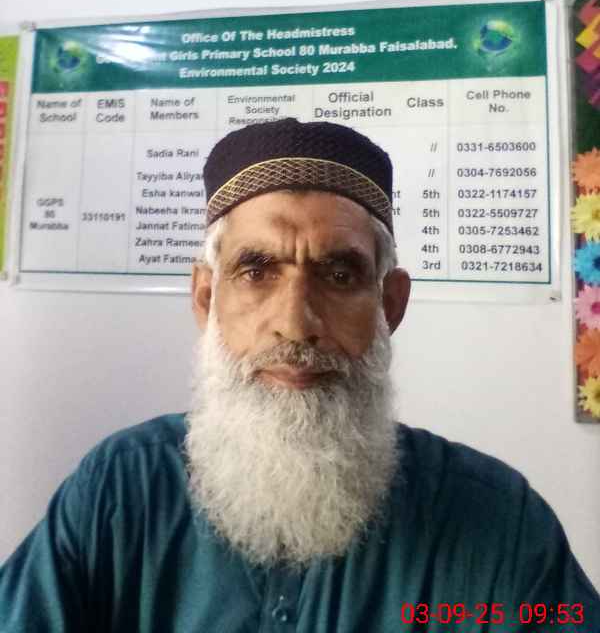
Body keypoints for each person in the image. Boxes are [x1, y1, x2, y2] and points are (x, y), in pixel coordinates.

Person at [1, 117, 599, 632]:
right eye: (256, 272)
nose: (295, 325)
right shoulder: (120, 491)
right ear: (206, 299)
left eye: (339, 276)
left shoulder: (501, 525)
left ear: (390, 305)